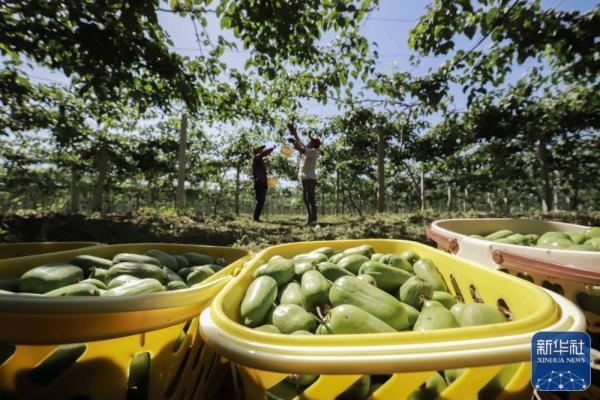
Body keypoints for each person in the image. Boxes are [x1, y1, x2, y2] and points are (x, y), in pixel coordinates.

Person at [289, 124, 321, 225]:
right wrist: (295, 134)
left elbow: (301, 149)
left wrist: (294, 143)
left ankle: (313, 220)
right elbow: (301, 144)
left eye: (311, 141)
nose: (308, 142)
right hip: (305, 179)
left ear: (314, 144)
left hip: (309, 179)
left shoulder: (313, 152)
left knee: (310, 199)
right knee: (306, 199)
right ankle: (310, 219)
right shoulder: (309, 150)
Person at [252, 145, 274, 222]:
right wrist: (271, 148)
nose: (262, 150)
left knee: (261, 201)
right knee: (260, 200)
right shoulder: (257, 157)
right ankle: (255, 218)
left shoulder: (260, 160)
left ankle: (256, 217)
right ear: (257, 151)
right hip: (259, 182)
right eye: (260, 149)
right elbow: (263, 153)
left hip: (262, 183)